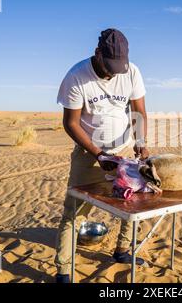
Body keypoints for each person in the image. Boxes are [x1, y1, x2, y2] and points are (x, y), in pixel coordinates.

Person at [54, 28, 149, 283]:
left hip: (124, 150)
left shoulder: (132, 72)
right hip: (89, 154)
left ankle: (122, 251)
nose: (113, 73)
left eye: (118, 67)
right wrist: (97, 154)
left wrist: (140, 141)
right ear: (97, 54)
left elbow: (138, 110)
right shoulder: (76, 76)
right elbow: (71, 123)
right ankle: (63, 271)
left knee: (133, 204)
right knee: (74, 213)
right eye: (109, 67)